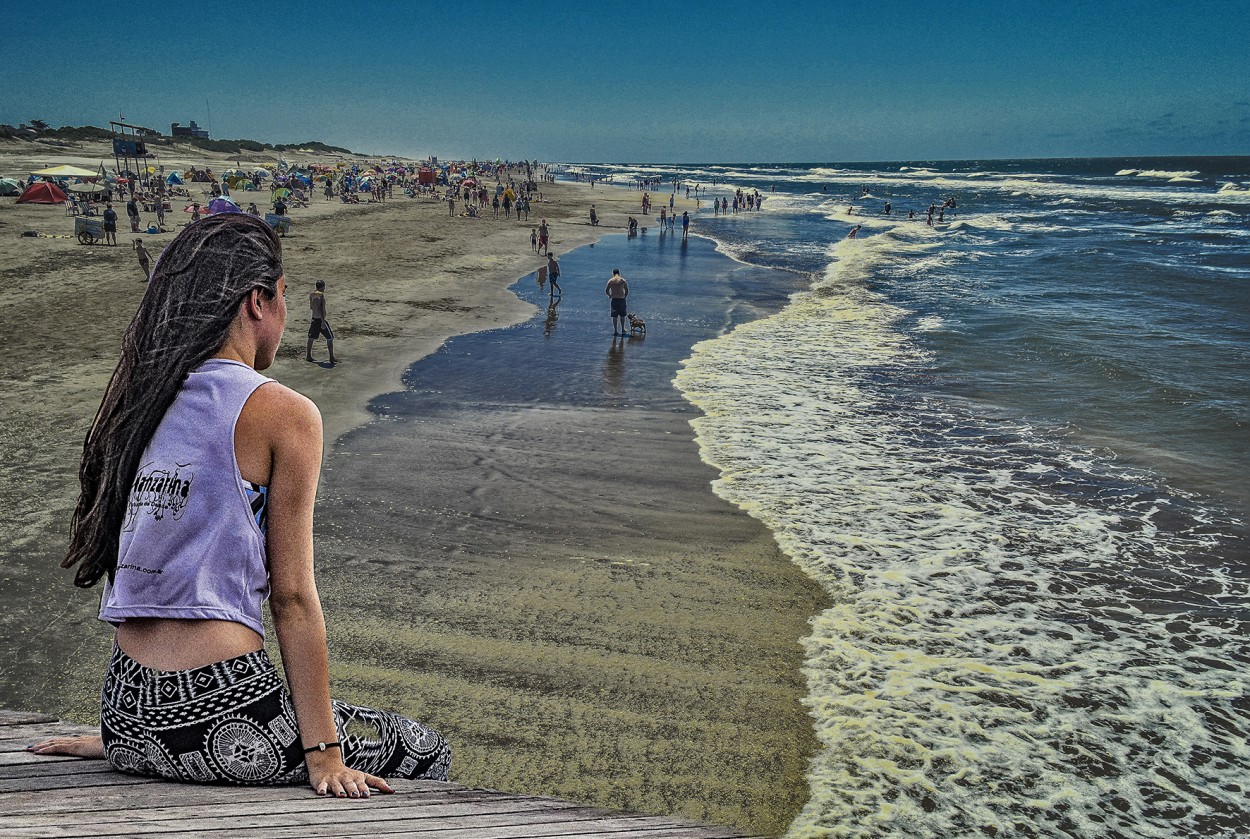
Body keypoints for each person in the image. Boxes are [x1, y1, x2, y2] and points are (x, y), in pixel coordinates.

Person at [27, 214, 449, 795]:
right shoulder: (284, 413)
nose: (285, 315)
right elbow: (293, 598)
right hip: (223, 721)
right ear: (258, 301)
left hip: (124, 715)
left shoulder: (145, 399)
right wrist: (324, 757)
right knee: (425, 749)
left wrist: (132, 730)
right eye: (284, 297)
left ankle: (147, 736)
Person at [307, 280, 337, 365]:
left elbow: (311, 307)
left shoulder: (311, 295)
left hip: (314, 319)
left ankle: (308, 355)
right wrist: (323, 321)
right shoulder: (321, 296)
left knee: (311, 338)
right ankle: (331, 357)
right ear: (323, 287)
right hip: (320, 320)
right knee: (330, 338)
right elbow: (321, 309)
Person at [605, 269, 629, 336]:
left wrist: (610, 295)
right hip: (621, 299)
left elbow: (606, 291)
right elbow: (627, 290)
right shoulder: (623, 280)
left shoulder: (611, 281)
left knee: (614, 316)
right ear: (619, 273)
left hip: (614, 299)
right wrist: (625, 297)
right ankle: (623, 330)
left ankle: (615, 331)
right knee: (622, 315)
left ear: (613, 273)